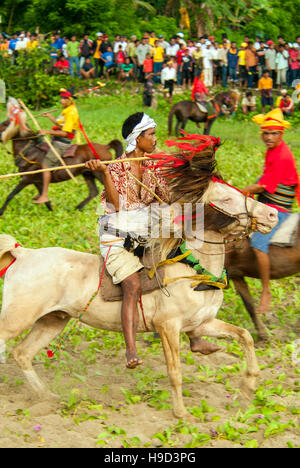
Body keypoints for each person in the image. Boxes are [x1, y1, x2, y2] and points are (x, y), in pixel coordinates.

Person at [85, 112, 221, 368]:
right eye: (151, 134)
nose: (155, 139)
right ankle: (130, 349)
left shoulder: (152, 166)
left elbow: (165, 196)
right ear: (137, 139)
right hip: (116, 238)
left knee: (185, 264)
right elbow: (118, 205)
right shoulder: (115, 168)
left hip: (146, 235)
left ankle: (195, 336)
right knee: (132, 285)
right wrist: (103, 173)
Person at [243, 108, 299, 314]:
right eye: (266, 133)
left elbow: (262, 187)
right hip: (268, 200)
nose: (269, 137)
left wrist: (240, 191)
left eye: (274, 133)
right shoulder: (273, 150)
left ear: (281, 135)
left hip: (278, 206)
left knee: (258, 244)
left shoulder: (283, 154)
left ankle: (266, 291)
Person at [33, 89, 80, 205]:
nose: (62, 100)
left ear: (70, 100)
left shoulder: (71, 112)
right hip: (56, 140)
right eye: (61, 98)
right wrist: (49, 117)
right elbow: (60, 124)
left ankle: (44, 195)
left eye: (65, 98)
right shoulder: (66, 110)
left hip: (62, 142)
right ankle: (41, 192)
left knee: (45, 165)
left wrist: (47, 132)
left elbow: (65, 133)